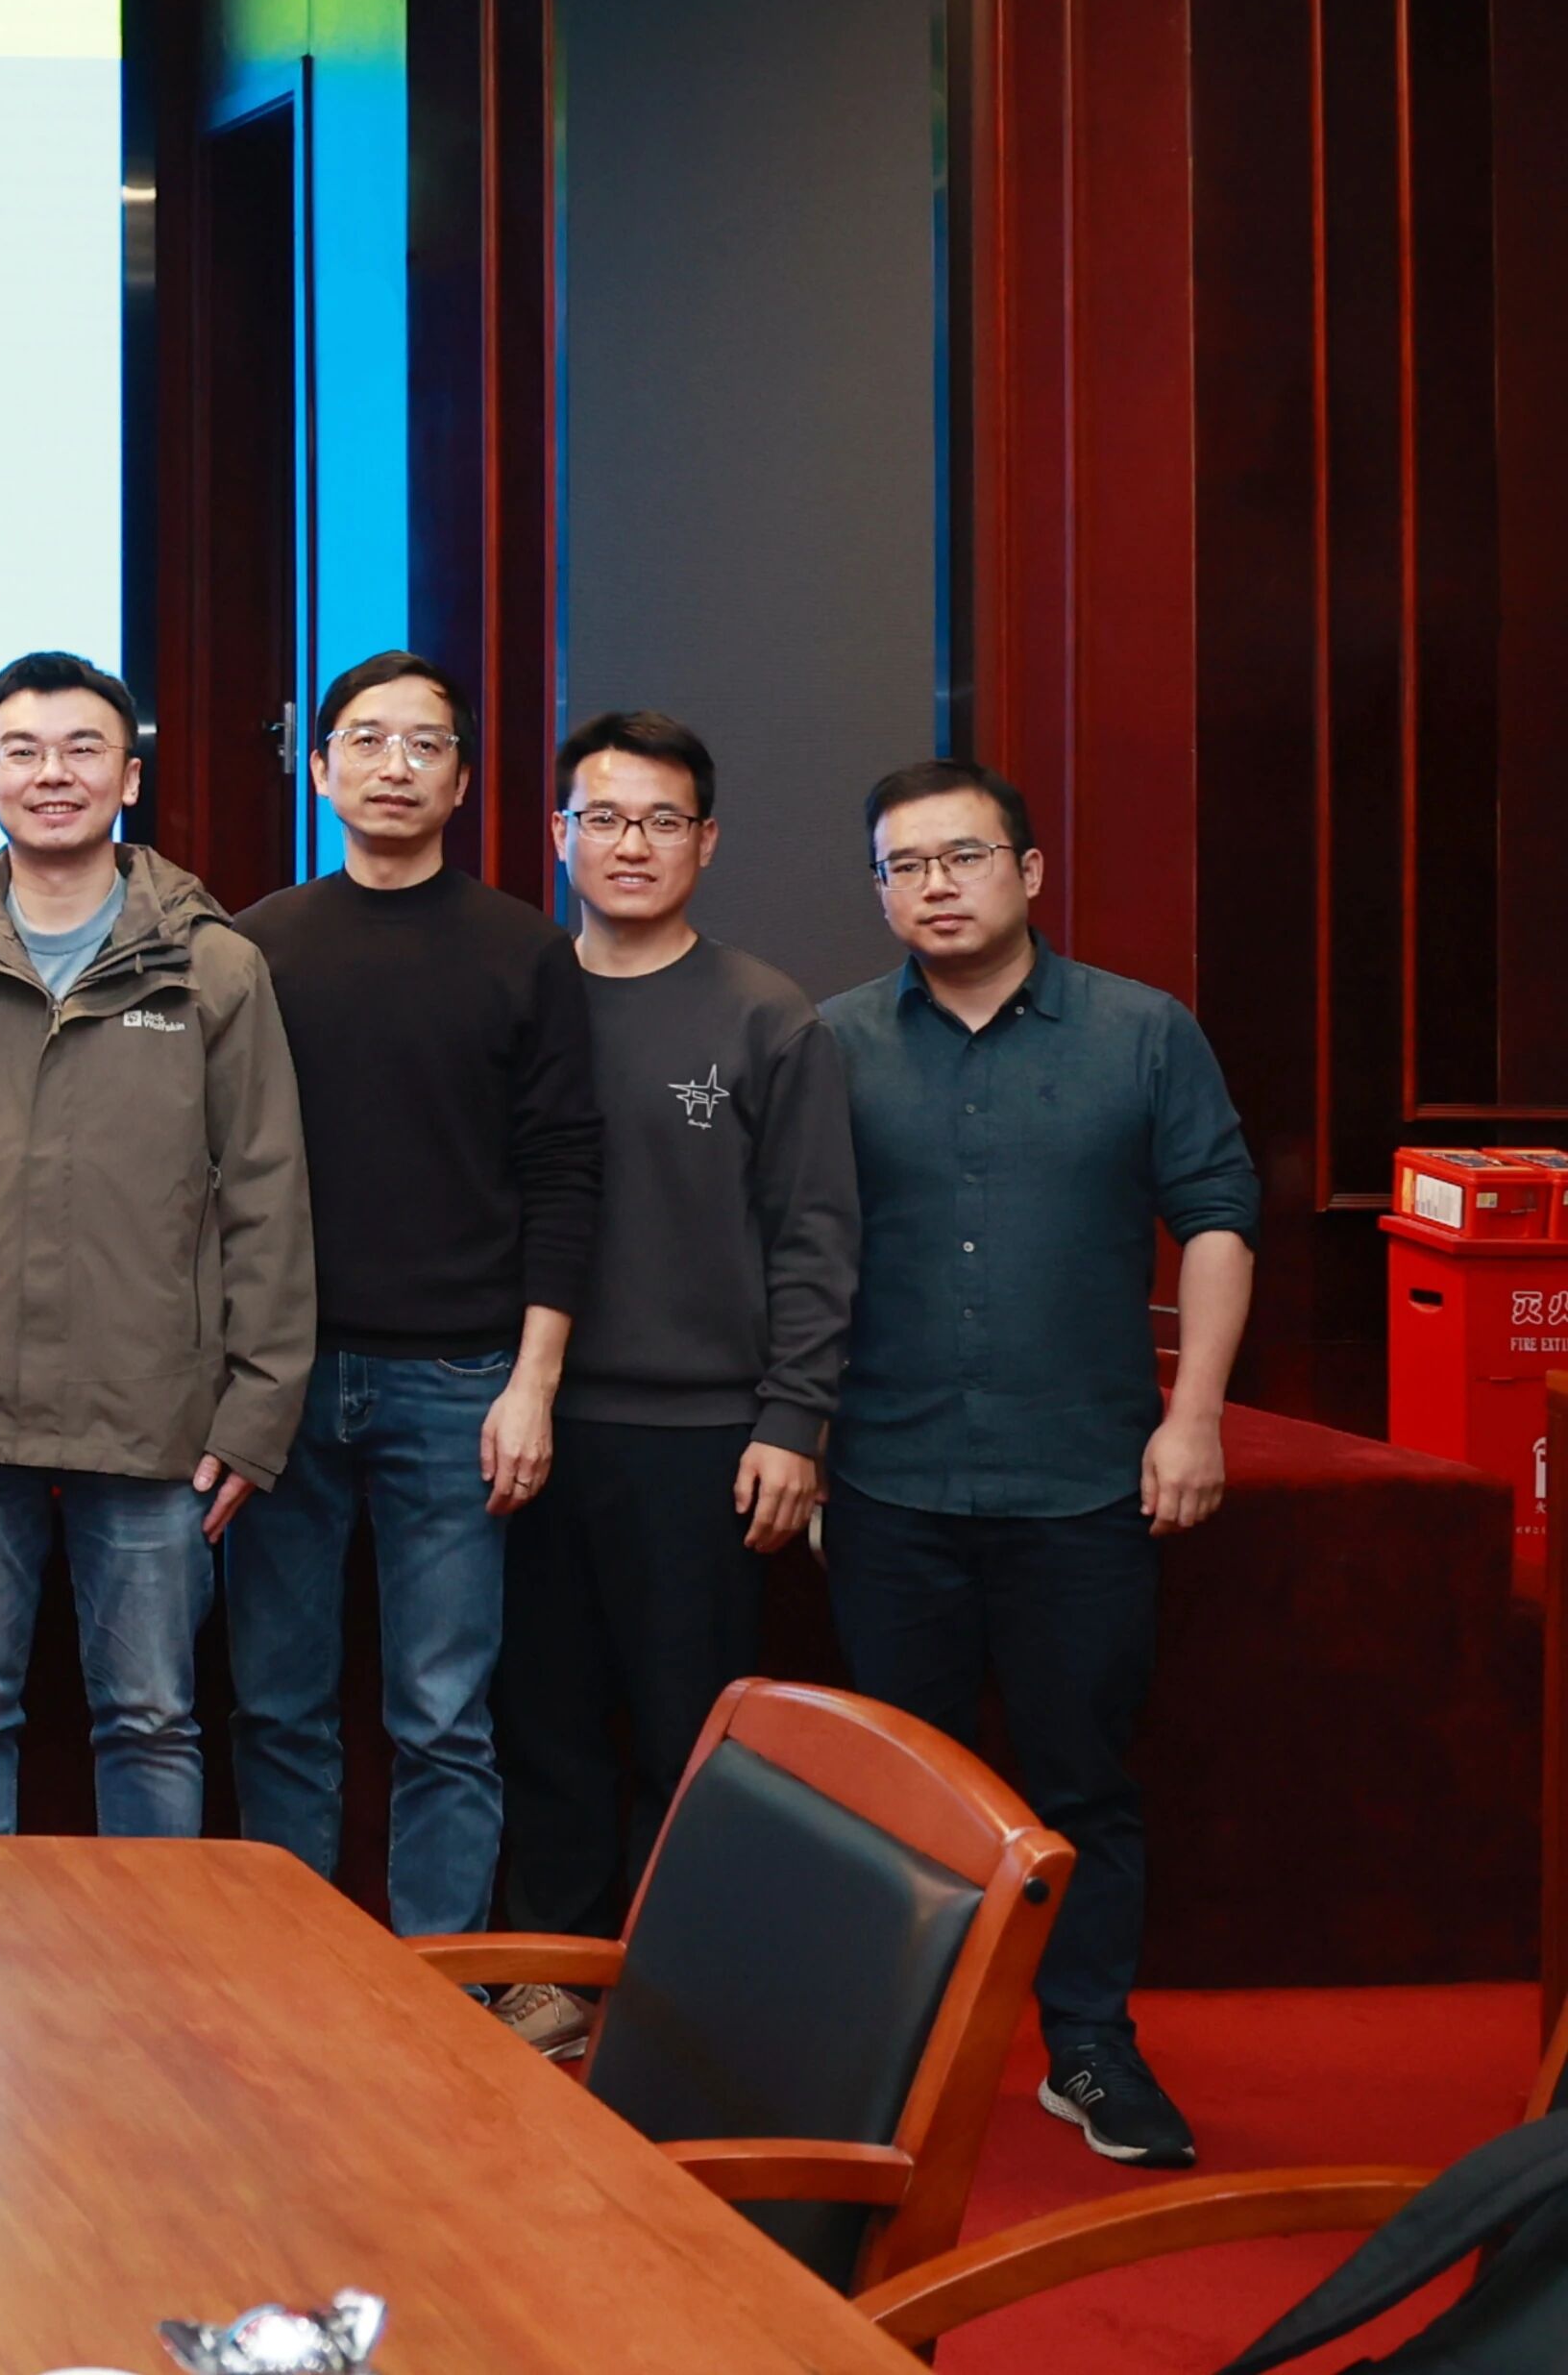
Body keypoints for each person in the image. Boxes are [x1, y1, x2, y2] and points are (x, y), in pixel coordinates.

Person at [819, 757, 1259, 2171]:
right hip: (886, 1480)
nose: (935, 886)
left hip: (1083, 1480)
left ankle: (1089, 2048)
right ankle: (892, 2055)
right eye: (904, 866)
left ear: (1028, 870)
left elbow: (1217, 1218)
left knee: (1082, 1781)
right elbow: (794, 1255)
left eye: (962, 856)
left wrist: (1195, 1415)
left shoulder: (1142, 1032)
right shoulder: (833, 1042)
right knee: (899, 1794)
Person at [0, 650, 311, 1843]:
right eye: (23, 752)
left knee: (151, 1719)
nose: (53, 774)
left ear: (129, 778)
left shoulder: (212, 966)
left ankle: (142, 1957)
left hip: (153, 1416)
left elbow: (267, 1196)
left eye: (84, 749)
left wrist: (256, 1412)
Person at [225, 650, 603, 1941]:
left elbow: (565, 1175)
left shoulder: (524, 951)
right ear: (320, 769)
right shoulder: (255, 947)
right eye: (368, 741)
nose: (396, 765)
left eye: (425, 744)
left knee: (443, 1714)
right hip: (283, 1382)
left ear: (462, 780)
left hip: (460, 1382)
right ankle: (289, 1972)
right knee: (278, 1702)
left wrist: (533, 1384)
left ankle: (438, 1986)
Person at [491, 711, 859, 2038]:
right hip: (526, 1422)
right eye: (604, 819)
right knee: (542, 1720)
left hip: (703, 1431)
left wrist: (793, 1420)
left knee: (684, 1727)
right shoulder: (518, 995)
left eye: (661, 821)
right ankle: (554, 1973)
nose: (631, 846)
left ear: (707, 841)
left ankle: (667, 1998)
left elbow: (816, 1234)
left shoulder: (765, 1014)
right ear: (559, 835)